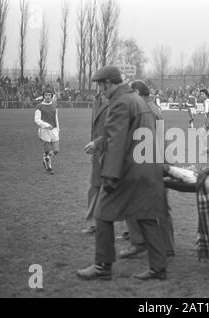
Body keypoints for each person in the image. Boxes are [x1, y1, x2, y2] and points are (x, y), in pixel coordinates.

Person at [77, 66, 169, 281]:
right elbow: (123, 133)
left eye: (100, 86)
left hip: (127, 171)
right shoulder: (136, 100)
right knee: (147, 217)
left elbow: (116, 141)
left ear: (107, 83)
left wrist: (109, 175)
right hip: (146, 167)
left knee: (102, 214)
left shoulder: (120, 103)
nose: (100, 91)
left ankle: (102, 266)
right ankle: (158, 268)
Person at [117, 80, 175, 259]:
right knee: (160, 205)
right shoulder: (153, 108)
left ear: (139, 94)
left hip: (150, 162)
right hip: (160, 160)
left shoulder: (146, 110)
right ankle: (167, 246)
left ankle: (139, 242)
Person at [81, 91, 106, 235]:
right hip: (97, 151)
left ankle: (131, 231)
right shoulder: (96, 99)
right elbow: (94, 126)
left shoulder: (119, 99)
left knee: (122, 188)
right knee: (94, 187)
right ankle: (93, 224)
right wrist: (93, 144)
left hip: (113, 149)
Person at [34, 88, 59, 175]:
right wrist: (47, 125)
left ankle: (45, 157)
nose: (47, 96)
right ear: (43, 96)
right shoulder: (39, 106)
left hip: (54, 130)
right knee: (48, 150)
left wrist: (58, 129)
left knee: (56, 150)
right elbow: (37, 120)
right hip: (44, 131)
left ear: (51, 96)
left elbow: (56, 118)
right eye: (46, 95)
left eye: (49, 95)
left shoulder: (54, 105)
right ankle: (49, 167)